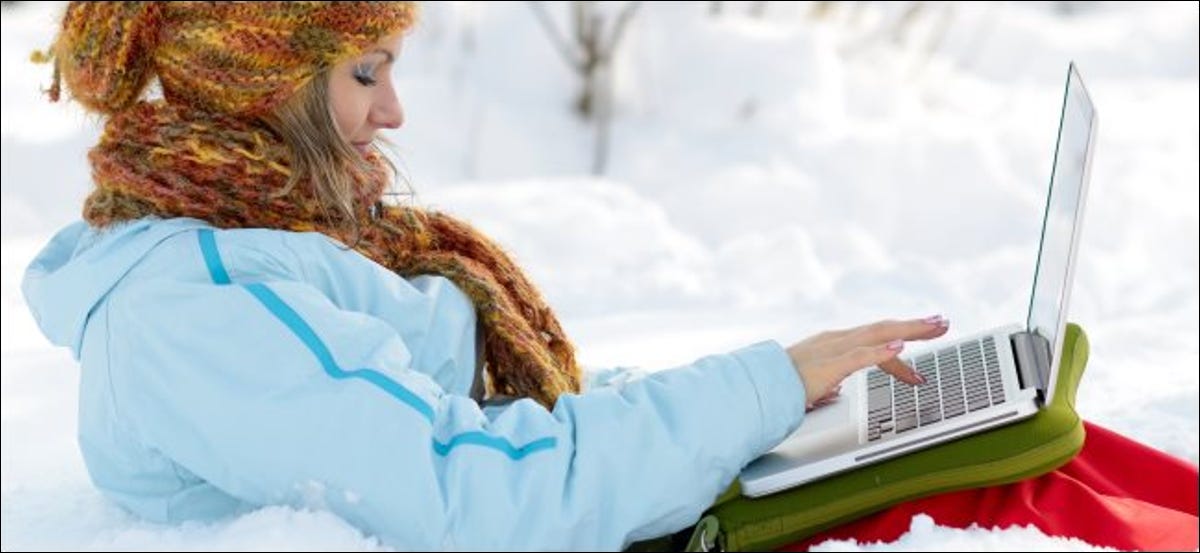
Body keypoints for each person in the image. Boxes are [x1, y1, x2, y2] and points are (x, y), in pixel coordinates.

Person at [20, 2, 949, 550]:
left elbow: (486, 426)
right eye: (365, 72)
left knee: (983, 459)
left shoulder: (280, 243)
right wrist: (761, 387)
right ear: (262, 87)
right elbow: (486, 496)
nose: (394, 110)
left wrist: (775, 407)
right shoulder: (191, 315)